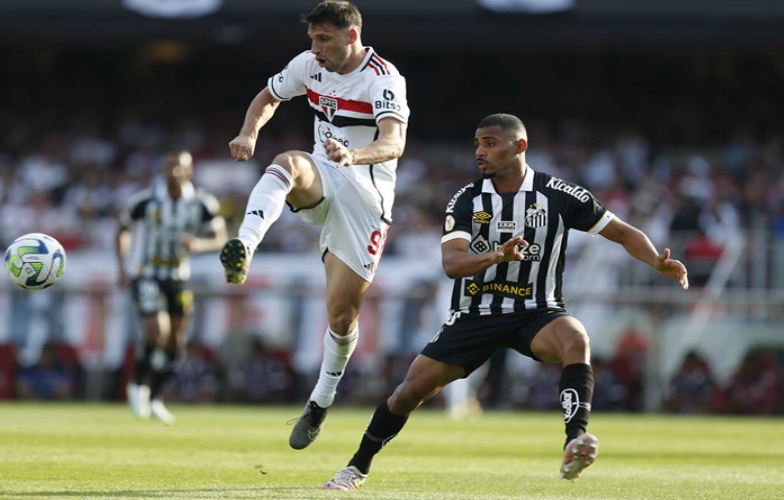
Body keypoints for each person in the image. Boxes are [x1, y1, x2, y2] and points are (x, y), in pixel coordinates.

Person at [323, 113, 689, 490]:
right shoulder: (466, 200)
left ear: (520, 146)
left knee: (575, 339)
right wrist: (497, 256)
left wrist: (656, 262)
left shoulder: (559, 195)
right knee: (408, 393)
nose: (480, 152)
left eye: (490, 143)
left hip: (537, 310)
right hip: (475, 313)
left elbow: (623, 232)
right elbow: (452, 264)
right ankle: (356, 467)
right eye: (477, 144)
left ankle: (574, 441)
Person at [220, 0, 409, 449]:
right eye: (312, 39)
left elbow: (393, 141)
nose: (315, 48)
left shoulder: (383, 78)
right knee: (286, 163)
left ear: (351, 36)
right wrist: (249, 132)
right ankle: (244, 246)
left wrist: (355, 154)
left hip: (366, 198)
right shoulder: (308, 65)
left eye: (323, 39)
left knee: (341, 316)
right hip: (323, 176)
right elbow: (267, 97)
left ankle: (320, 400)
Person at [117, 150, 227, 424]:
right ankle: (137, 384)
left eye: (178, 168)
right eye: (168, 167)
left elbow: (221, 237)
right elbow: (122, 228)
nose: (172, 173)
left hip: (179, 276)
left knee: (177, 340)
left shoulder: (203, 203)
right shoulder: (145, 200)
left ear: (189, 171)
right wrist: (122, 265)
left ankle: (156, 397)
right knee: (157, 331)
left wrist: (200, 244)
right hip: (147, 273)